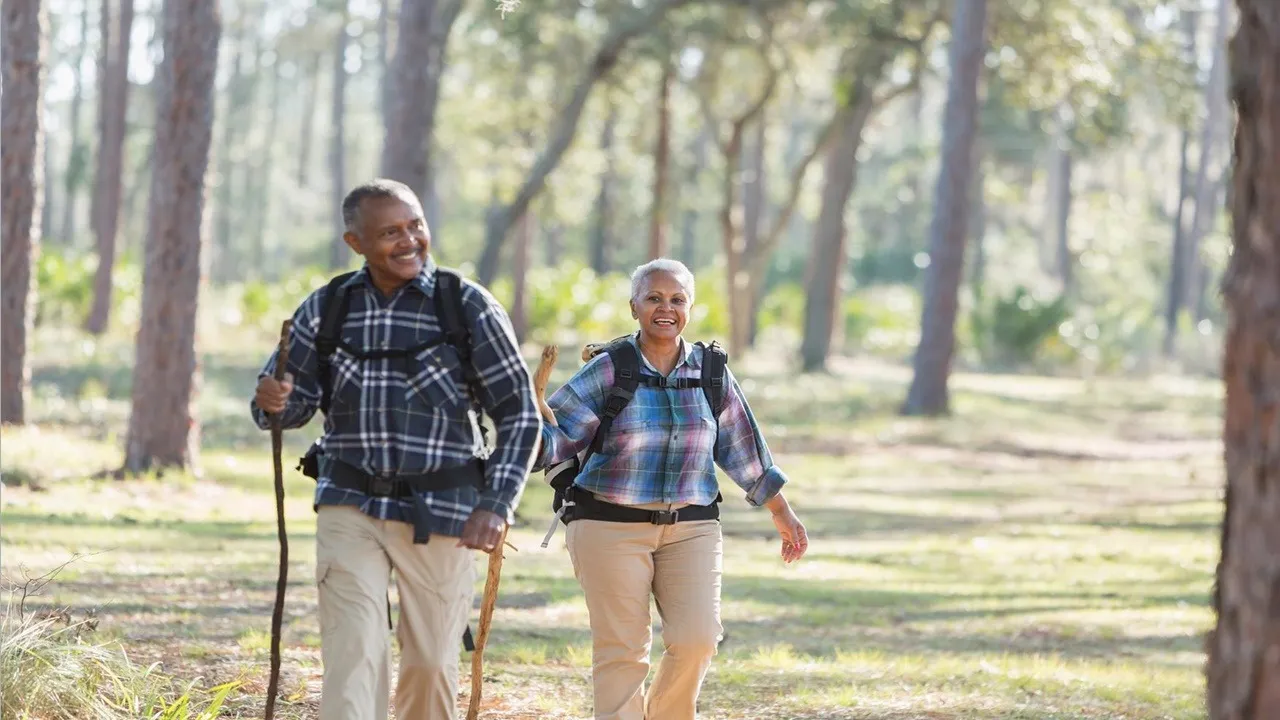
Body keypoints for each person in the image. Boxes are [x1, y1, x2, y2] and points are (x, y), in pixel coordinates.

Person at [251, 179, 540, 720]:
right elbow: (290, 405)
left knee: (431, 665)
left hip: (444, 511)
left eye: (416, 225)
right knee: (352, 655)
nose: (409, 240)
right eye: (390, 232)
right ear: (355, 242)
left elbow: (520, 416)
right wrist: (273, 400)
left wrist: (496, 505)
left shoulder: (466, 305)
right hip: (348, 503)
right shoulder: (328, 307)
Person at [536, 258, 809, 720]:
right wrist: (518, 433)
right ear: (634, 307)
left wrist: (782, 512)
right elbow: (556, 438)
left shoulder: (711, 371)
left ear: (690, 307)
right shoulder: (608, 369)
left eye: (677, 299)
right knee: (623, 652)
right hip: (608, 524)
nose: (667, 308)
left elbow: (743, 449)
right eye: (654, 298)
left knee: (698, 638)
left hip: (692, 527)